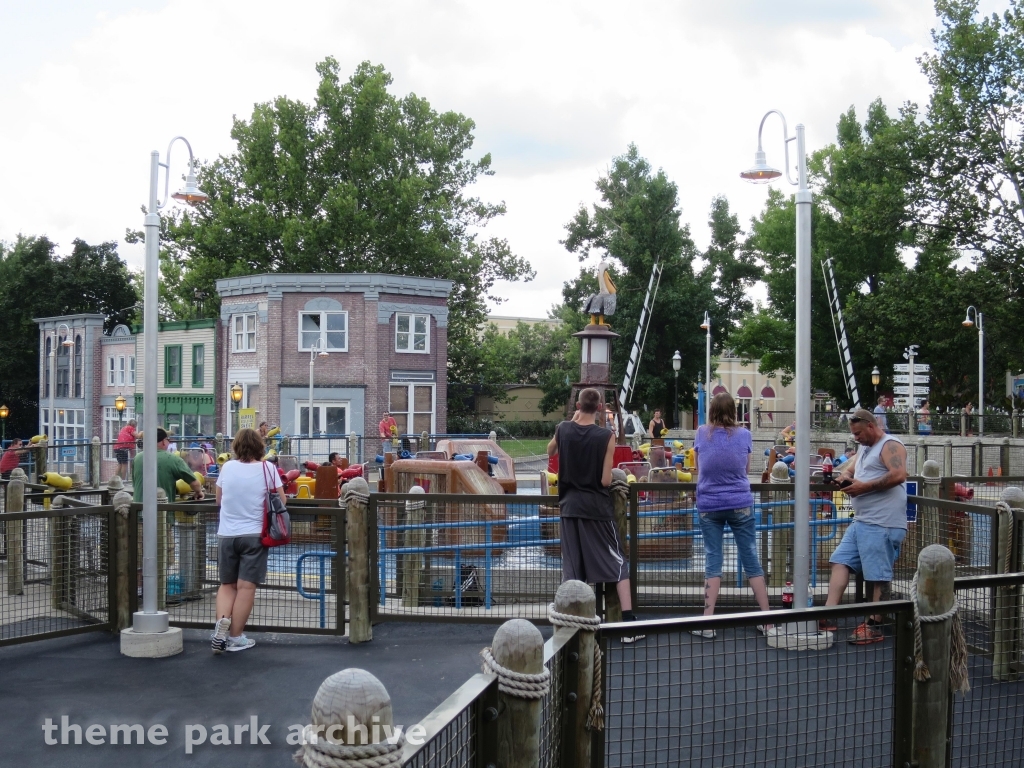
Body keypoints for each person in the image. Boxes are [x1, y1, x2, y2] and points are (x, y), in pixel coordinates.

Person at [547, 388, 642, 641]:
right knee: (618, 562)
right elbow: (604, 480)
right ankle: (628, 624)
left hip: (569, 509)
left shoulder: (563, 429)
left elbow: (550, 451)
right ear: (600, 408)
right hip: (597, 510)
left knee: (573, 569)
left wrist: (569, 422)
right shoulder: (605, 436)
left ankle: (573, 627)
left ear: (578, 405)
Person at [822, 408, 908, 644]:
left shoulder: (891, 445)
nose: (856, 438)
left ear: (871, 426)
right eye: (854, 435)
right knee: (840, 561)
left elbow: (899, 474)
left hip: (883, 522)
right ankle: (827, 615)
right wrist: (843, 478)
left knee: (877, 575)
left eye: (859, 433)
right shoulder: (865, 447)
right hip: (862, 521)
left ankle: (874, 625)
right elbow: (850, 469)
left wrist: (864, 487)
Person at [691, 392, 771, 637]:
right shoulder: (745, 434)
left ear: (711, 410)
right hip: (740, 502)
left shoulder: (701, 433)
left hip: (709, 503)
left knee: (713, 559)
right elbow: (746, 468)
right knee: (750, 557)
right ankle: (767, 620)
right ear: (734, 411)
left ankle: (707, 623)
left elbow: (698, 466)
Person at [211, 427, 285, 653]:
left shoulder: (227, 467)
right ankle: (235, 638)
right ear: (260, 446)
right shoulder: (268, 468)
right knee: (245, 588)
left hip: (226, 534)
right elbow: (281, 501)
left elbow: (218, 500)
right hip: (254, 534)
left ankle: (220, 628)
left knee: (227, 585)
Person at [132, 428, 204, 503]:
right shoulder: (174, 459)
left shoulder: (137, 458)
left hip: (138, 510)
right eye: (168, 440)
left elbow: (135, 484)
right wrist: (199, 492)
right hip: (163, 511)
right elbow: (195, 484)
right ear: (163, 441)